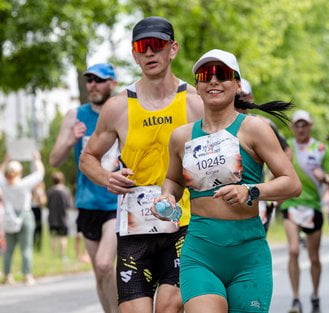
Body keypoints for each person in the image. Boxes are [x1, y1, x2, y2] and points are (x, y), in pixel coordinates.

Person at [152, 48, 300, 313]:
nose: (213, 81)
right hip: (201, 253)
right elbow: (173, 180)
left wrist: (251, 191)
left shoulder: (255, 129)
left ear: (237, 84)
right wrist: (166, 196)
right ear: (197, 86)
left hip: (248, 255)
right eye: (205, 75)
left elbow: (291, 183)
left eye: (222, 74)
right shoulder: (181, 137)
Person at [79, 16, 204, 313]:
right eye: (142, 47)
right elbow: (87, 158)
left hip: (185, 224)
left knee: (169, 308)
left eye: (157, 45)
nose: (150, 53)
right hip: (136, 227)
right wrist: (106, 178)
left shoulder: (194, 102)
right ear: (134, 54)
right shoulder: (119, 106)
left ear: (172, 49)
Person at [49, 63, 119, 312]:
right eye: (89, 80)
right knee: (99, 274)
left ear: (112, 83)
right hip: (87, 203)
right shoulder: (75, 115)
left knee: (104, 264)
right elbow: (54, 160)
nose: (93, 85)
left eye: (99, 80)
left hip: (116, 202)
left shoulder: (123, 111)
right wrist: (70, 140)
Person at [280, 109, 329, 313]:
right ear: (292, 127)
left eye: (304, 124)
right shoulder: (286, 148)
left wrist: (325, 178)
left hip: (313, 206)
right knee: (294, 250)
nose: (301, 128)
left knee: (314, 257)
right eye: (297, 124)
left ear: (310, 125)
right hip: (291, 204)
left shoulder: (321, 148)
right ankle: (296, 298)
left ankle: (314, 294)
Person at [238, 78, 291, 232]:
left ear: (251, 97)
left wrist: (275, 178)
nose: (240, 99)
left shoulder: (263, 124)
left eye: (243, 95)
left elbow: (287, 150)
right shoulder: (219, 124)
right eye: (237, 95)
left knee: (255, 240)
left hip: (257, 195)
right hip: (227, 198)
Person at [0, 152, 44, 286]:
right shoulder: (23, 184)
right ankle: (27, 275)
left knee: (8, 249)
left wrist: (6, 160)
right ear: (19, 172)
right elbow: (39, 174)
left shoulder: (3, 184)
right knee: (26, 247)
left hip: (9, 217)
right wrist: (37, 160)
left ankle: (7, 276)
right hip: (25, 215)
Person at [47, 171, 73, 259]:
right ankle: (62, 255)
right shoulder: (66, 191)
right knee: (63, 237)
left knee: (53, 237)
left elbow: (48, 204)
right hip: (63, 218)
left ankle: (53, 255)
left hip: (52, 218)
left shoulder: (50, 191)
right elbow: (69, 205)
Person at [31, 181, 47, 251]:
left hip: (38, 209)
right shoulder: (32, 191)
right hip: (33, 209)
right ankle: (33, 244)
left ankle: (38, 246)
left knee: (39, 228)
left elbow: (42, 203)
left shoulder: (41, 191)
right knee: (33, 228)